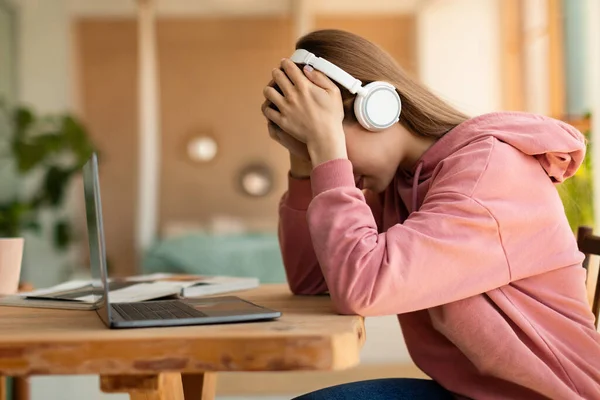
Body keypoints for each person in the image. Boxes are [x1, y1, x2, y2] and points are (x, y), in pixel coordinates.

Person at [261, 29, 600, 399]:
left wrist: (328, 151)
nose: (330, 167)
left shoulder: (490, 175)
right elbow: (312, 280)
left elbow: (361, 289)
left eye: (324, 141)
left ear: (376, 108)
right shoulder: (402, 182)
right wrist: (304, 162)